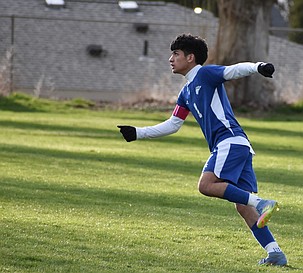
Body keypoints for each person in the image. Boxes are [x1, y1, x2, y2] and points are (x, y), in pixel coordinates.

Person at [117, 34, 287, 266]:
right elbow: (173, 125)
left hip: (230, 142)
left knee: (206, 185)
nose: (171, 59)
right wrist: (138, 132)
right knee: (243, 206)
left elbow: (232, 71)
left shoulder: (206, 75)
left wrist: (258, 67)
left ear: (190, 57)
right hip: (240, 146)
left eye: (175, 54)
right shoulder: (186, 92)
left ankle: (263, 203)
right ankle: (275, 253)